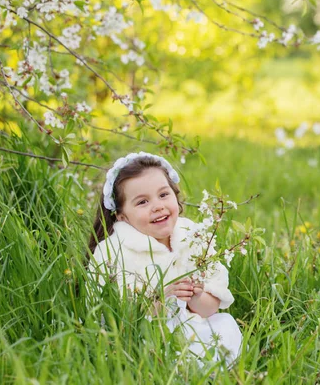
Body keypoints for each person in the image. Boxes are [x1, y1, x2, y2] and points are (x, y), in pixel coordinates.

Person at [87, 151, 242, 365]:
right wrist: (161, 298)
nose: (158, 206)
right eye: (142, 202)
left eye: (163, 195)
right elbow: (118, 319)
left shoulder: (191, 235)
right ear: (122, 216)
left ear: (175, 196)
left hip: (193, 325)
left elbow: (210, 308)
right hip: (144, 336)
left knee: (224, 326)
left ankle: (205, 369)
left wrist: (195, 296)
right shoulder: (115, 251)